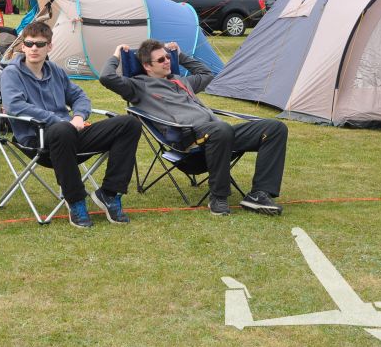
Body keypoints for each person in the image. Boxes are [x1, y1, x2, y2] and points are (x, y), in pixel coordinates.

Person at [99, 40, 287, 216]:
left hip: (219, 133)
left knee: (275, 128)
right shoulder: (138, 86)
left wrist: (180, 55)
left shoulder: (182, 81)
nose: (167, 61)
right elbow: (106, 77)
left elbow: (207, 74)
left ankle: (259, 194)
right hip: (189, 140)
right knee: (221, 129)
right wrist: (116, 55)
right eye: (161, 60)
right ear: (147, 66)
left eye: (168, 57)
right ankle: (218, 198)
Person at [0, 21, 142, 228]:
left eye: (40, 44)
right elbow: (15, 106)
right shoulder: (11, 73)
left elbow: (79, 96)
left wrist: (79, 117)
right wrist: (60, 120)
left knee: (129, 124)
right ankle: (75, 200)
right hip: (37, 140)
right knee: (62, 128)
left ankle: (110, 193)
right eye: (29, 44)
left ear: (49, 46)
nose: (34, 48)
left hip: (70, 135)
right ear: (23, 46)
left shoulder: (55, 70)